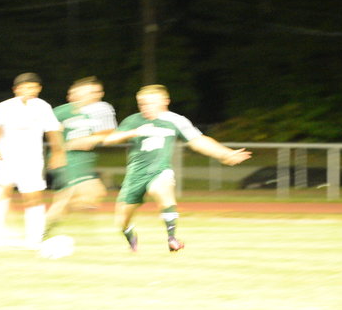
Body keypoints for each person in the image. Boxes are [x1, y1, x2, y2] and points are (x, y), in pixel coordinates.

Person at [103, 84, 252, 252]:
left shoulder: (176, 120)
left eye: (151, 103)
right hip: (135, 175)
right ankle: (131, 237)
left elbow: (198, 141)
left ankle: (172, 239)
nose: (146, 107)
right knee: (122, 220)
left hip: (159, 170)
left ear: (165, 101)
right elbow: (109, 140)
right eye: (142, 104)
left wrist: (225, 154)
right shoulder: (133, 120)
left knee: (162, 190)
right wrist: (134, 132)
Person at [0, 72, 65, 248]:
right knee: (2, 192)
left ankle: (34, 237)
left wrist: (58, 152)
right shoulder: (5, 106)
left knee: (33, 195)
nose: (30, 90)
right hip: (6, 157)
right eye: (25, 87)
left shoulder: (43, 106)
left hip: (31, 158)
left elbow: (53, 130)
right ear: (16, 89)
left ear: (39, 89)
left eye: (33, 87)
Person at [46, 76, 117, 234]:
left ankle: (47, 224)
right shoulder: (63, 111)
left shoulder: (99, 111)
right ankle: (42, 232)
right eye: (89, 92)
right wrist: (58, 152)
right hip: (68, 158)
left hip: (84, 159)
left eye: (96, 92)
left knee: (95, 194)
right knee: (70, 195)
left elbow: (108, 134)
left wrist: (92, 139)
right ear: (75, 93)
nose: (94, 95)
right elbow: (52, 131)